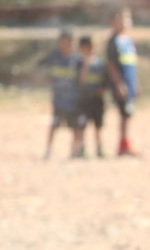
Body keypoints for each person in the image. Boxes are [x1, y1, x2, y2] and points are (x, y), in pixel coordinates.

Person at [42, 28, 83, 160]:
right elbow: (42, 71)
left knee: (75, 126)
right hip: (58, 100)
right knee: (54, 125)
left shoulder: (77, 60)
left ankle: (74, 151)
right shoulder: (53, 57)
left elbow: (81, 79)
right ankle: (48, 150)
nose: (68, 44)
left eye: (70, 41)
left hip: (73, 100)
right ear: (60, 42)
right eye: (65, 41)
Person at [106, 6, 139, 156]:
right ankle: (123, 146)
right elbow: (112, 65)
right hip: (121, 84)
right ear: (113, 22)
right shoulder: (113, 42)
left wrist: (135, 83)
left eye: (127, 18)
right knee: (124, 114)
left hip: (129, 82)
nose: (124, 22)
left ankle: (125, 143)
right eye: (120, 19)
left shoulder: (128, 41)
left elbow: (132, 64)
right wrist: (119, 84)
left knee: (128, 114)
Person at [78, 35, 108, 158]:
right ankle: (81, 149)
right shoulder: (79, 63)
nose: (89, 50)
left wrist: (102, 89)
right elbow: (81, 81)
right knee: (82, 125)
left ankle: (99, 148)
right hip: (84, 100)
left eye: (90, 47)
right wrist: (86, 65)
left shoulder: (100, 63)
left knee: (98, 126)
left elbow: (105, 80)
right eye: (86, 47)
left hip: (97, 100)